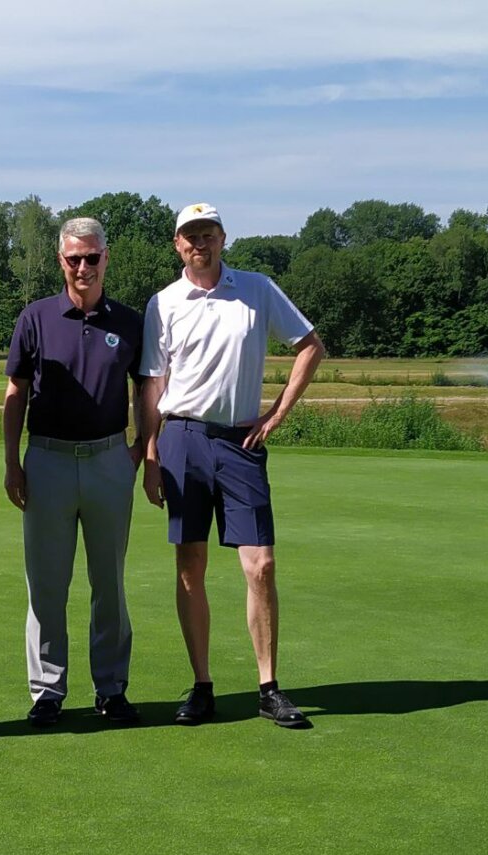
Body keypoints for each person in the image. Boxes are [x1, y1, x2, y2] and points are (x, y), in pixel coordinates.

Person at [140, 203, 326, 728]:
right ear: (178, 245)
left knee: (260, 565)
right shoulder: (165, 302)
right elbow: (154, 382)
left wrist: (277, 413)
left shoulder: (257, 288)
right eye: (189, 236)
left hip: (241, 442)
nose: (199, 242)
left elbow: (310, 345)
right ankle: (202, 686)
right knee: (190, 566)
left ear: (223, 238)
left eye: (208, 233)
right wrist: (151, 453)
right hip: (182, 439)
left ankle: (268, 687)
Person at [3, 217, 144, 727]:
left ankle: (111, 688)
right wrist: (11, 462)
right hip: (48, 460)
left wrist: (142, 449)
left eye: (92, 258)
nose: (82, 267)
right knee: (46, 584)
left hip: (109, 460)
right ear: (60, 260)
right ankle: (47, 692)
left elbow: (145, 392)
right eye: (73, 259)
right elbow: (15, 392)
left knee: (109, 583)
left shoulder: (129, 322)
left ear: (106, 257)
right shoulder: (35, 317)